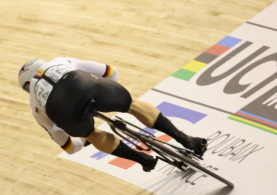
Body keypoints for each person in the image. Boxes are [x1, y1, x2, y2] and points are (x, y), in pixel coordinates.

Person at [17, 58, 207, 171]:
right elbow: (110, 71)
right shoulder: (59, 60)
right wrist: (114, 99)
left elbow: (69, 148)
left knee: (91, 133)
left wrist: (86, 139)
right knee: (132, 104)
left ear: (27, 87)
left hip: (63, 111)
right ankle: (186, 139)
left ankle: (143, 160)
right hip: (87, 86)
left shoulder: (35, 106)